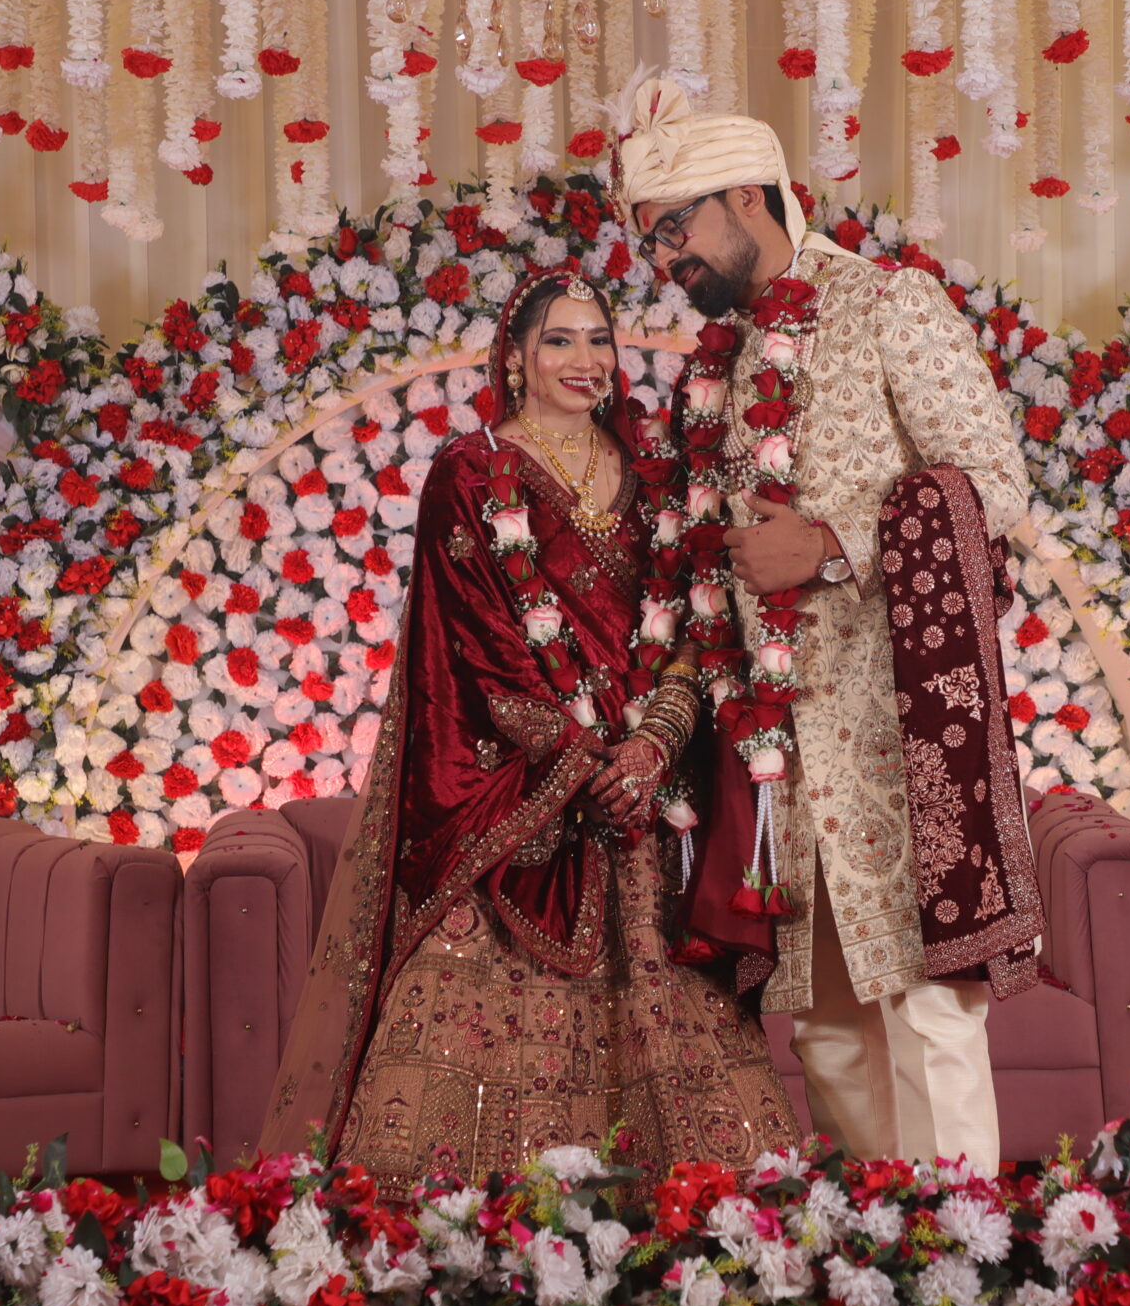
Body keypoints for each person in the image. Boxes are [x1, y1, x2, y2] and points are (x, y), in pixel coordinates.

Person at [258, 272, 798, 1194]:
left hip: (646, 798)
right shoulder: (470, 474)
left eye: (599, 339)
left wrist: (652, 748)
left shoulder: (655, 471)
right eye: (560, 340)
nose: (586, 360)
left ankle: (683, 1238)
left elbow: (693, 622)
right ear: (515, 357)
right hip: (518, 801)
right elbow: (476, 648)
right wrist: (585, 764)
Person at [617, 74, 1039, 1173]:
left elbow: (994, 486)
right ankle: (877, 1251)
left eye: (674, 229)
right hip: (775, 753)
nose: (663, 261)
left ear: (750, 195)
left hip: (895, 730)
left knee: (929, 1008)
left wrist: (830, 543)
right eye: (648, 242)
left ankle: (962, 1249)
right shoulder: (718, 365)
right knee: (826, 1030)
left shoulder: (887, 303)